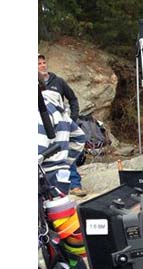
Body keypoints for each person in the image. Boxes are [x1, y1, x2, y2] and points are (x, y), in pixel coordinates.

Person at [38, 81, 96, 269]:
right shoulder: (57, 108)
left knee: (53, 236)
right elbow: (79, 137)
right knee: (64, 233)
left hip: (45, 176)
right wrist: (65, 163)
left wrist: (53, 165)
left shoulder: (39, 110)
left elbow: (38, 148)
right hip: (59, 175)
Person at [39, 52, 87, 197]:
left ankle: (76, 185)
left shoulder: (58, 81)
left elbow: (73, 99)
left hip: (60, 126)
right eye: (39, 64)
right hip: (60, 131)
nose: (42, 65)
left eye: (44, 62)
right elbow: (79, 138)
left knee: (64, 155)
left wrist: (72, 117)